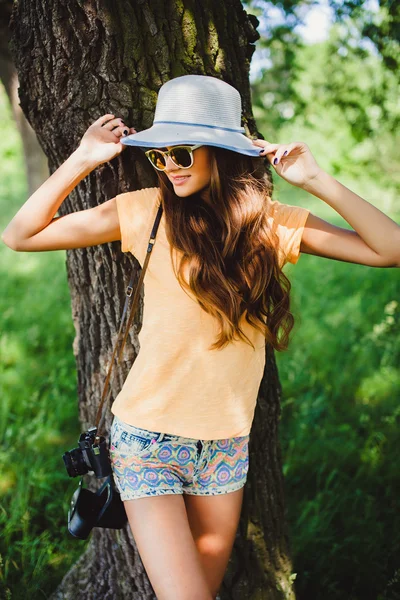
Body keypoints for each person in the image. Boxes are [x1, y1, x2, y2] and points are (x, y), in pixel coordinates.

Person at [2, 74, 399, 600]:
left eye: (183, 153)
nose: (170, 166)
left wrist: (316, 179)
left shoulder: (269, 225)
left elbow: (387, 248)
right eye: (159, 156)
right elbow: (20, 235)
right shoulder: (146, 210)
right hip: (146, 439)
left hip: (225, 446)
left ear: (219, 151)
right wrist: (82, 160)